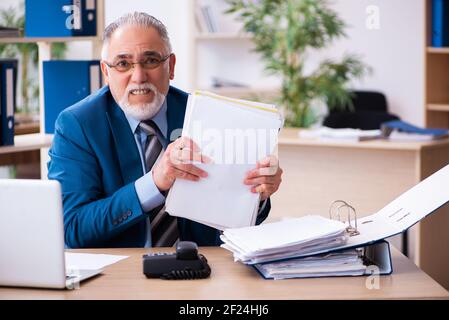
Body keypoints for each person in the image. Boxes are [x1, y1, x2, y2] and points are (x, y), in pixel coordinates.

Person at [47, 12, 283, 248]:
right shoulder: (77, 125)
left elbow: (232, 225)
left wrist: (256, 196)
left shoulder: (205, 115)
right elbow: (73, 228)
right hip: (119, 276)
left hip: (198, 270)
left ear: (170, 66)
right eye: (122, 63)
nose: (138, 77)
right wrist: (155, 183)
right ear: (106, 72)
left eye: (150, 60)